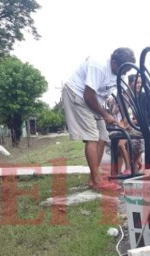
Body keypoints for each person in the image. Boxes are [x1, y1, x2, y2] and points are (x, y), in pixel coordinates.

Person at [62, 47, 136, 190]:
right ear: (113, 62)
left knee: (103, 136)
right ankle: (98, 181)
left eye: (126, 71)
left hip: (94, 100)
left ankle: (93, 179)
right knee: (92, 137)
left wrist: (125, 120)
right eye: (123, 69)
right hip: (77, 94)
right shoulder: (99, 66)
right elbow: (88, 95)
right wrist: (105, 114)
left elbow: (121, 98)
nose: (125, 74)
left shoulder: (121, 73)